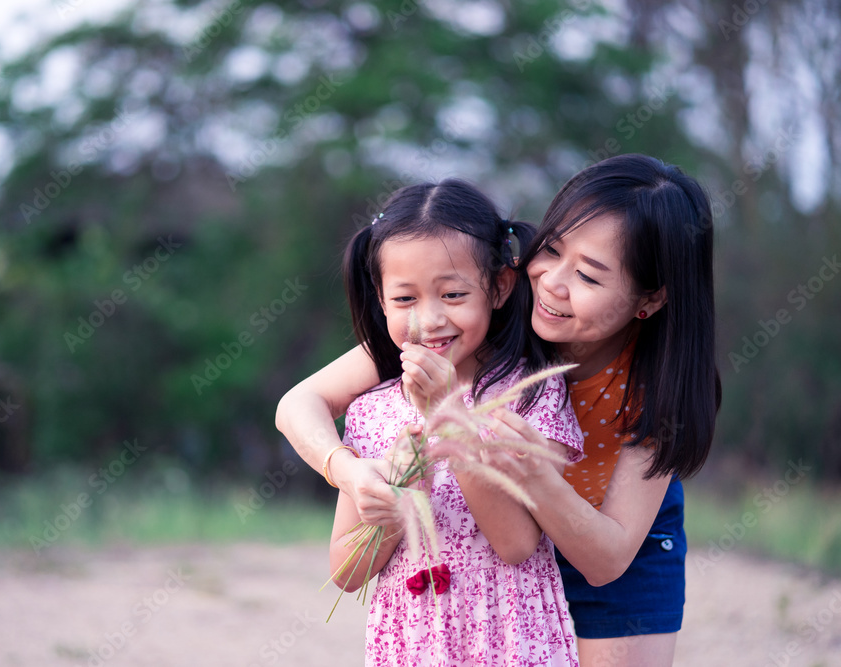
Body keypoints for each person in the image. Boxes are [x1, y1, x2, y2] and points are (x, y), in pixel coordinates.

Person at [276, 154, 720, 667]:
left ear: (650, 298)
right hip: (485, 555)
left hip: (610, 538)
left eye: (590, 277)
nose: (552, 283)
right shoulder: (482, 318)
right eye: (551, 250)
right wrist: (350, 473)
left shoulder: (657, 384)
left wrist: (480, 441)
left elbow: (603, 559)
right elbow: (299, 404)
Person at [325, 178, 583, 665]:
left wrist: (451, 420)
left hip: (511, 641)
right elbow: (347, 572)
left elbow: (517, 544)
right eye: (405, 300)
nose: (428, 320)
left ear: (500, 287)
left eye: (452, 295)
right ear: (380, 301)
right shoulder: (371, 411)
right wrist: (401, 502)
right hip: (414, 645)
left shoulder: (531, 395)